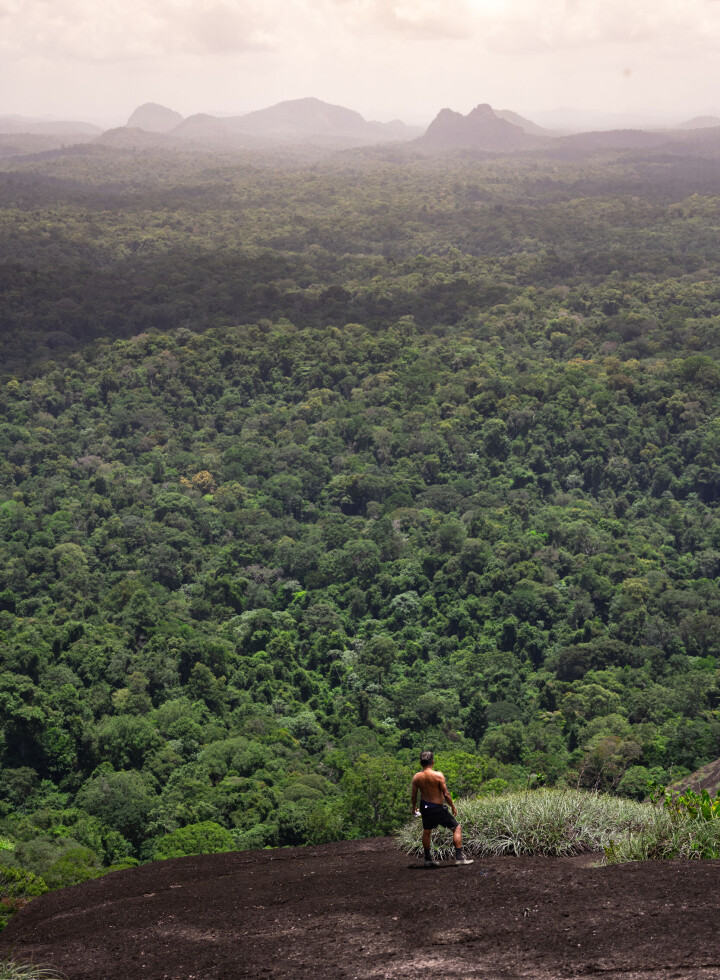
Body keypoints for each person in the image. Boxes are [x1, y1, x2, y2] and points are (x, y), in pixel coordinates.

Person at [411, 750, 474, 868]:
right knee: (456, 828)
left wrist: (413, 808)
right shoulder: (438, 775)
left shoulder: (417, 777)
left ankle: (428, 860)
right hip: (437, 808)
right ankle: (459, 858)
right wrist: (453, 807)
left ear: (421, 763)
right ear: (432, 762)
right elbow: (446, 794)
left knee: (427, 831)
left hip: (424, 807)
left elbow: (414, 795)